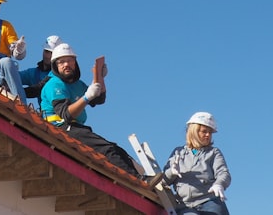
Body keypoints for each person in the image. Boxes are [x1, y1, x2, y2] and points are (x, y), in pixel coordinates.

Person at [40, 43, 140, 176]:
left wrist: (100, 79)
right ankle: (138, 180)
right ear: (55, 66)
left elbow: (99, 99)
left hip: (75, 128)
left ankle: (140, 181)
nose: (66, 64)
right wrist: (86, 97)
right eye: (61, 62)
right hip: (60, 128)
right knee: (107, 150)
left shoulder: (78, 85)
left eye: (70, 60)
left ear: (75, 63)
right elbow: (66, 114)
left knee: (118, 151)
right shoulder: (54, 85)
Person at [160, 112, 232, 215]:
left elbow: (223, 173)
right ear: (193, 131)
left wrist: (219, 184)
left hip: (210, 202)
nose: (208, 135)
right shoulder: (178, 153)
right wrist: (171, 172)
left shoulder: (213, 153)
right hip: (185, 207)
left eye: (210, 132)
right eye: (204, 131)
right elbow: (163, 182)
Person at [19, 35, 62, 105]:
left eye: (51, 53)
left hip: (59, 113)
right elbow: (15, 77)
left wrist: (17, 92)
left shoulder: (59, 74)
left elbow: (39, 89)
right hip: (45, 113)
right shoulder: (33, 73)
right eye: (46, 51)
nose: (48, 56)